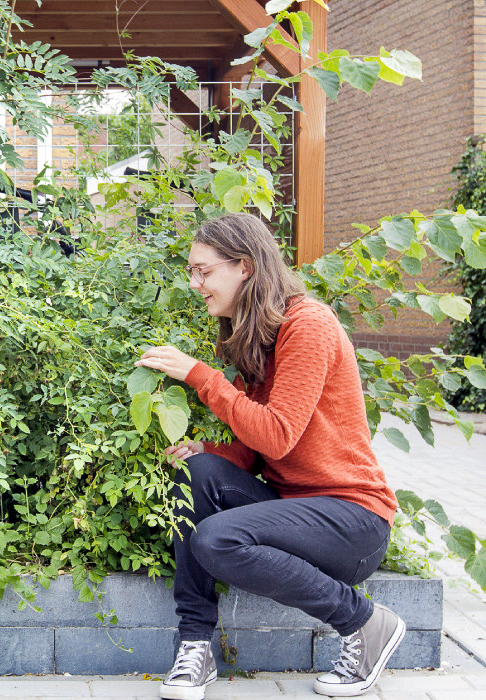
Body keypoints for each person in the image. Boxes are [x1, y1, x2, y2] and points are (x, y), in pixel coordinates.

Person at [133, 213, 403, 700]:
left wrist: (201, 376)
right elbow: (257, 447)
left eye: (203, 271)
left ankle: (365, 623)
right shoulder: (257, 335)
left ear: (245, 267)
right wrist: (211, 453)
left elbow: (277, 436)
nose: (195, 283)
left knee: (215, 540)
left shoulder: (308, 325)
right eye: (191, 272)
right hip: (292, 510)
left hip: (352, 520)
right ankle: (195, 646)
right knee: (193, 470)